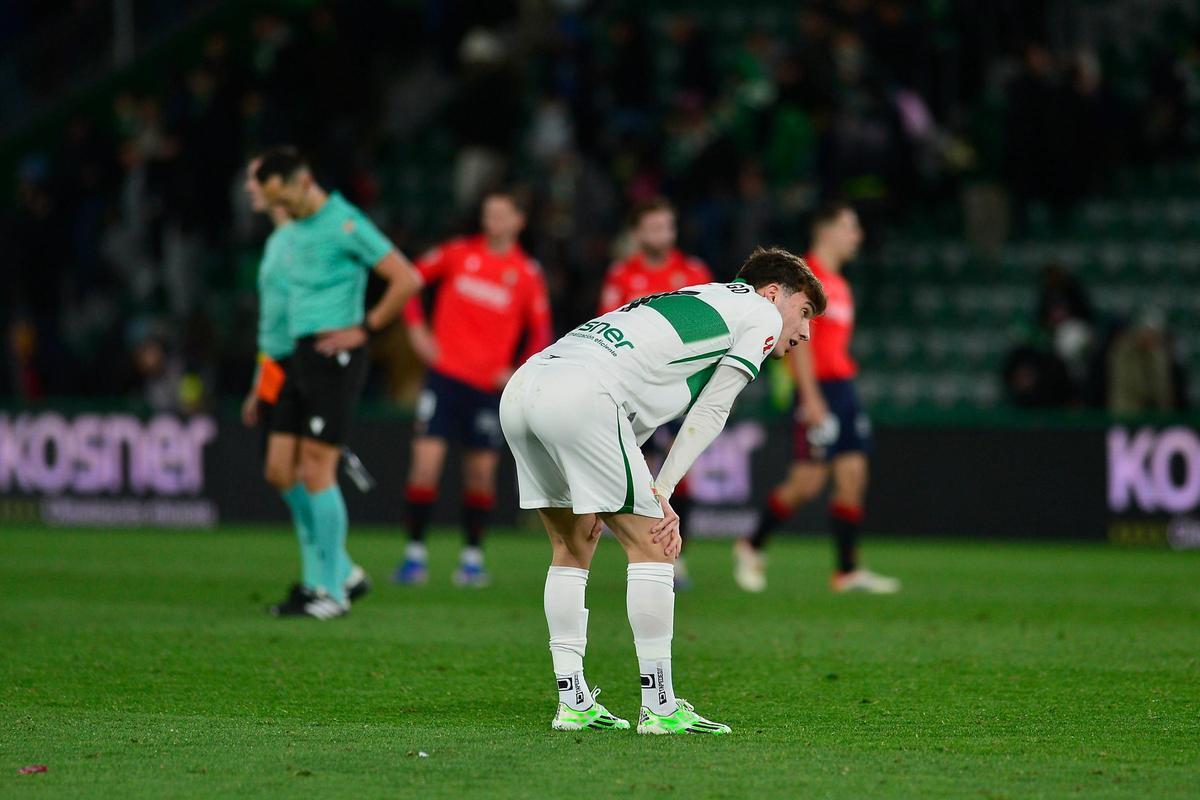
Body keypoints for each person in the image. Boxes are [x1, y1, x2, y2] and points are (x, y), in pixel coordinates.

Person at [500, 247, 826, 734]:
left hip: (527, 385)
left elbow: (637, 388)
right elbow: (713, 411)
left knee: (571, 545)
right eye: (802, 313)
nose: (803, 332)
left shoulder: (697, 297)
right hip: (582, 392)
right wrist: (663, 492)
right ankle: (660, 705)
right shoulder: (758, 313)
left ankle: (573, 702)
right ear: (772, 292)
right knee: (655, 544)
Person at [256, 147, 422, 619]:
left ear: (302, 179)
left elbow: (405, 278)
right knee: (281, 467)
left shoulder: (345, 222)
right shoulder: (299, 228)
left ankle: (333, 591)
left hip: (337, 356)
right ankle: (329, 577)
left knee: (316, 468)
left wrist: (365, 327)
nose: (278, 206)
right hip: (298, 355)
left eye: (280, 195)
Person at [734, 203, 899, 594]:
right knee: (808, 482)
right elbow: (801, 343)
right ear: (825, 231)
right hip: (818, 389)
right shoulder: (807, 279)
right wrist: (808, 396)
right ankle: (751, 544)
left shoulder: (840, 284)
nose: (856, 236)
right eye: (850, 227)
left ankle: (846, 571)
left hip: (843, 388)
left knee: (853, 474)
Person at [393, 191, 552, 587]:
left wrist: (517, 371)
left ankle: (472, 558)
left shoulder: (526, 273)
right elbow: (409, 280)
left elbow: (542, 331)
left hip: (486, 388)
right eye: (487, 214)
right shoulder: (458, 253)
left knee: (480, 475)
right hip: (444, 378)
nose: (492, 221)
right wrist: (416, 330)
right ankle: (414, 555)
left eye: (500, 214)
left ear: (519, 220)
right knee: (424, 466)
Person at [238, 157, 371, 617]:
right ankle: (342, 569)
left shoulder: (306, 237)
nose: (251, 187)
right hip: (277, 363)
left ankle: (326, 576)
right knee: (279, 472)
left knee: (309, 470)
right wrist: (261, 378)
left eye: (257, 179)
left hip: (303, 361)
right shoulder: (282, 240)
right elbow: (272, 318)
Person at [597, 197, 712, 590]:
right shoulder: (621, 275)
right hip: (638, 391)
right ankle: (645, 554)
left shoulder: (692, 271)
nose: (663, 234)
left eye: (668, 226)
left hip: (682, 388)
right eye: (655, 226)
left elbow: (712, 330)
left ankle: (677, 559)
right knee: (637, 473)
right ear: (638, 233)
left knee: (683, 474)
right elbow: (610, 333)